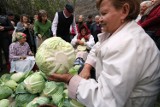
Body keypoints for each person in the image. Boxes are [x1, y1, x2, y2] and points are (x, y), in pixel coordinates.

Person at [48, 0, 160, 107]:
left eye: (104, 13)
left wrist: (69, 79)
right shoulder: (118, 33)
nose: (100, 19)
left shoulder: (127, 44)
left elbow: (107, 101)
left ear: (124, 11)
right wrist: (87, 67)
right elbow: (97, 47)